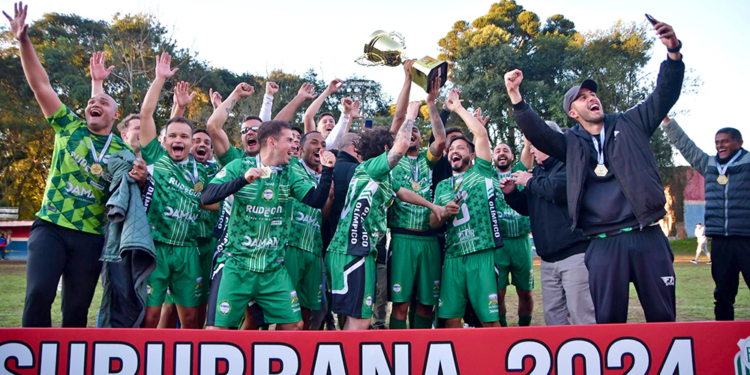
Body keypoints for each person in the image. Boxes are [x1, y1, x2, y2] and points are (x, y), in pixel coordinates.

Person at [505, 17, 684, 324]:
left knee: (663, 319)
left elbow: (664, 95)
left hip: (647, 235)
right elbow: (539, 134)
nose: (592, 98)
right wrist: (515, 95)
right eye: (582, 98)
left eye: (593, 94)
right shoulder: (572, 143)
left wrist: (673, 54)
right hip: (602, 243)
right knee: (607, 325)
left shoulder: (631, 123)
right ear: (573, 113)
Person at [5, 4, 146, 327]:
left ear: (115, 115)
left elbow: (135, 184)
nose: (95, 103)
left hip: (90, 237)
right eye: (91, 102)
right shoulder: (68, 127)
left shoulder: (123, 151)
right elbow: (40, 84)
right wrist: (24, 41)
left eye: (104, 102)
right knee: (39, 293)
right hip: (51, 226)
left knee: (76, 310)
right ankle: (32, 358)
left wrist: (140, 178)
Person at [201, 120, 335, 330]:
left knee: (294, 326)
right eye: (289, 140)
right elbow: (206, 197)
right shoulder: (241, 166)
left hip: (273, 268)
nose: (294, 146)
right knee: (216, 330)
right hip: (237, 264)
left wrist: (327, 172)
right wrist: (242, 181)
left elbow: (316, 200)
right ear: (272, 142)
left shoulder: (289, 173)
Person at [327, 102, 443, 330]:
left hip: (361, 251)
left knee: (357, 318)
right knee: (359, 321)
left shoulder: (384, 177)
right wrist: (411, 114)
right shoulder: (372, 167)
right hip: (351, 250)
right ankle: (348, 363)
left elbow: (403, 192)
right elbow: (400, 147)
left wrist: (432, 206)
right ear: (385, 147)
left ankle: (350, 362)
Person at [138, 52, 217, 329]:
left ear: (191, 143)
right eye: (173, 135)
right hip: (156, 248)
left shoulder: (204, 171)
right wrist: (160, 78)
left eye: (184, 136)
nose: (178, 140)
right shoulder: (155, 159)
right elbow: (146, 114)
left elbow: (215, 203)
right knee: (150, 316)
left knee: (192, 319)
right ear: (164, 140)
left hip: (188, 250)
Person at [500, 121, 595, 326]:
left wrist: (529, 181)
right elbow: (529, 207)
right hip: (548, 260)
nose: (532, 149)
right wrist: (512, 194)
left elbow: (557, 190)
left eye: (535, 143)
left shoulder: (569, 163)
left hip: (574, 255)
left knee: (582, 316)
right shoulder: (538, 173)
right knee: (554, 319)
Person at [429, 90, 503, 328]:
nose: (454, 151)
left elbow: (480, 134)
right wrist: (441, 212)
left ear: (471, 154)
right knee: (450, 319)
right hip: (452, 256)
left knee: (489, 320)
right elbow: (433, 222)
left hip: (481, 251)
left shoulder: (481, 171)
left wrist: (457, 107)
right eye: (451, 149)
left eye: (460, 148)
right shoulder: (442, 185)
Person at [661, 117, 748, 320]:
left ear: (739, 143)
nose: (720, 145)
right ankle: (725, 339)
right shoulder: (708, 164)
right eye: (717, 142)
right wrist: (668, 124)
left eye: (725, 141)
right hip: (720, 240)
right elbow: (686, 146)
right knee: (723, 295)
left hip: (746, 237)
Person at [387, 76, 446, 330]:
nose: (412, 135)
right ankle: (398, 354)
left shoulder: (427, 159)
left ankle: (421, 353)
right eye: (407, 133)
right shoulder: (391, 159)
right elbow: (399, 120)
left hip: (429, 239)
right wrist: (409, 81)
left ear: (421, 140)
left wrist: (431, 104)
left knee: (426, 305)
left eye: (417, 133)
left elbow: (441, 140)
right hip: (402, 239)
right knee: (400, 304)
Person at [286, 131, 334, 329]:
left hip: (314, 248)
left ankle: (301, 351)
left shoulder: (325, 175)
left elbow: (322, 217)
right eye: (314, 142)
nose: (320, 146)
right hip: (291, 244)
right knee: (285, 307)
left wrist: (330, 196)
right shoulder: (292, 167)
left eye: (323, 144)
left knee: (308, 308)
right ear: (301, 148)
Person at [492, 141, 534, 327]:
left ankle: (524, 331)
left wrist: (528, 134)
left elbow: (528, 148)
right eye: (497, 150)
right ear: (492, 157)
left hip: (521, 242)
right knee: (498, 292)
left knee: (525, 291)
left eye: (506, 150)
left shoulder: (519, 172)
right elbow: (479, 145)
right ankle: (501, 332)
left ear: (512, 156)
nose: (501, 153)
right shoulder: (487, 175)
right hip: (498, 244)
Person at [303, 79, 360, 150]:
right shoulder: (311, 141)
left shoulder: (334, 147)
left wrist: (349, 116)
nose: (328, 123)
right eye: (324, 121)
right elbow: (308, 116)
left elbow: (341, 133)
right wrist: (328, 91)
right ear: (317, 129)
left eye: (331, 121)